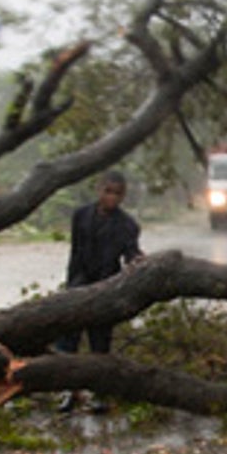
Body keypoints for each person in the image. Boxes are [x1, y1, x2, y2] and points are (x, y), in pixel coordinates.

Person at [56, 171, 145, 413]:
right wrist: (70, 285)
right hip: (79, 283)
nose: (112, 198)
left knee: (100, 342)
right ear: (99, 189)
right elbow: (75, 253)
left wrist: (138, 262)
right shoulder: (81, 216)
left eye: (117, 194)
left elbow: (131, 254)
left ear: (123, 196)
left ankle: (98, 393)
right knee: (68, 339)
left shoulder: (128, 225)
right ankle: (68, 390)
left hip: (107, 287)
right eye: (108, 191)